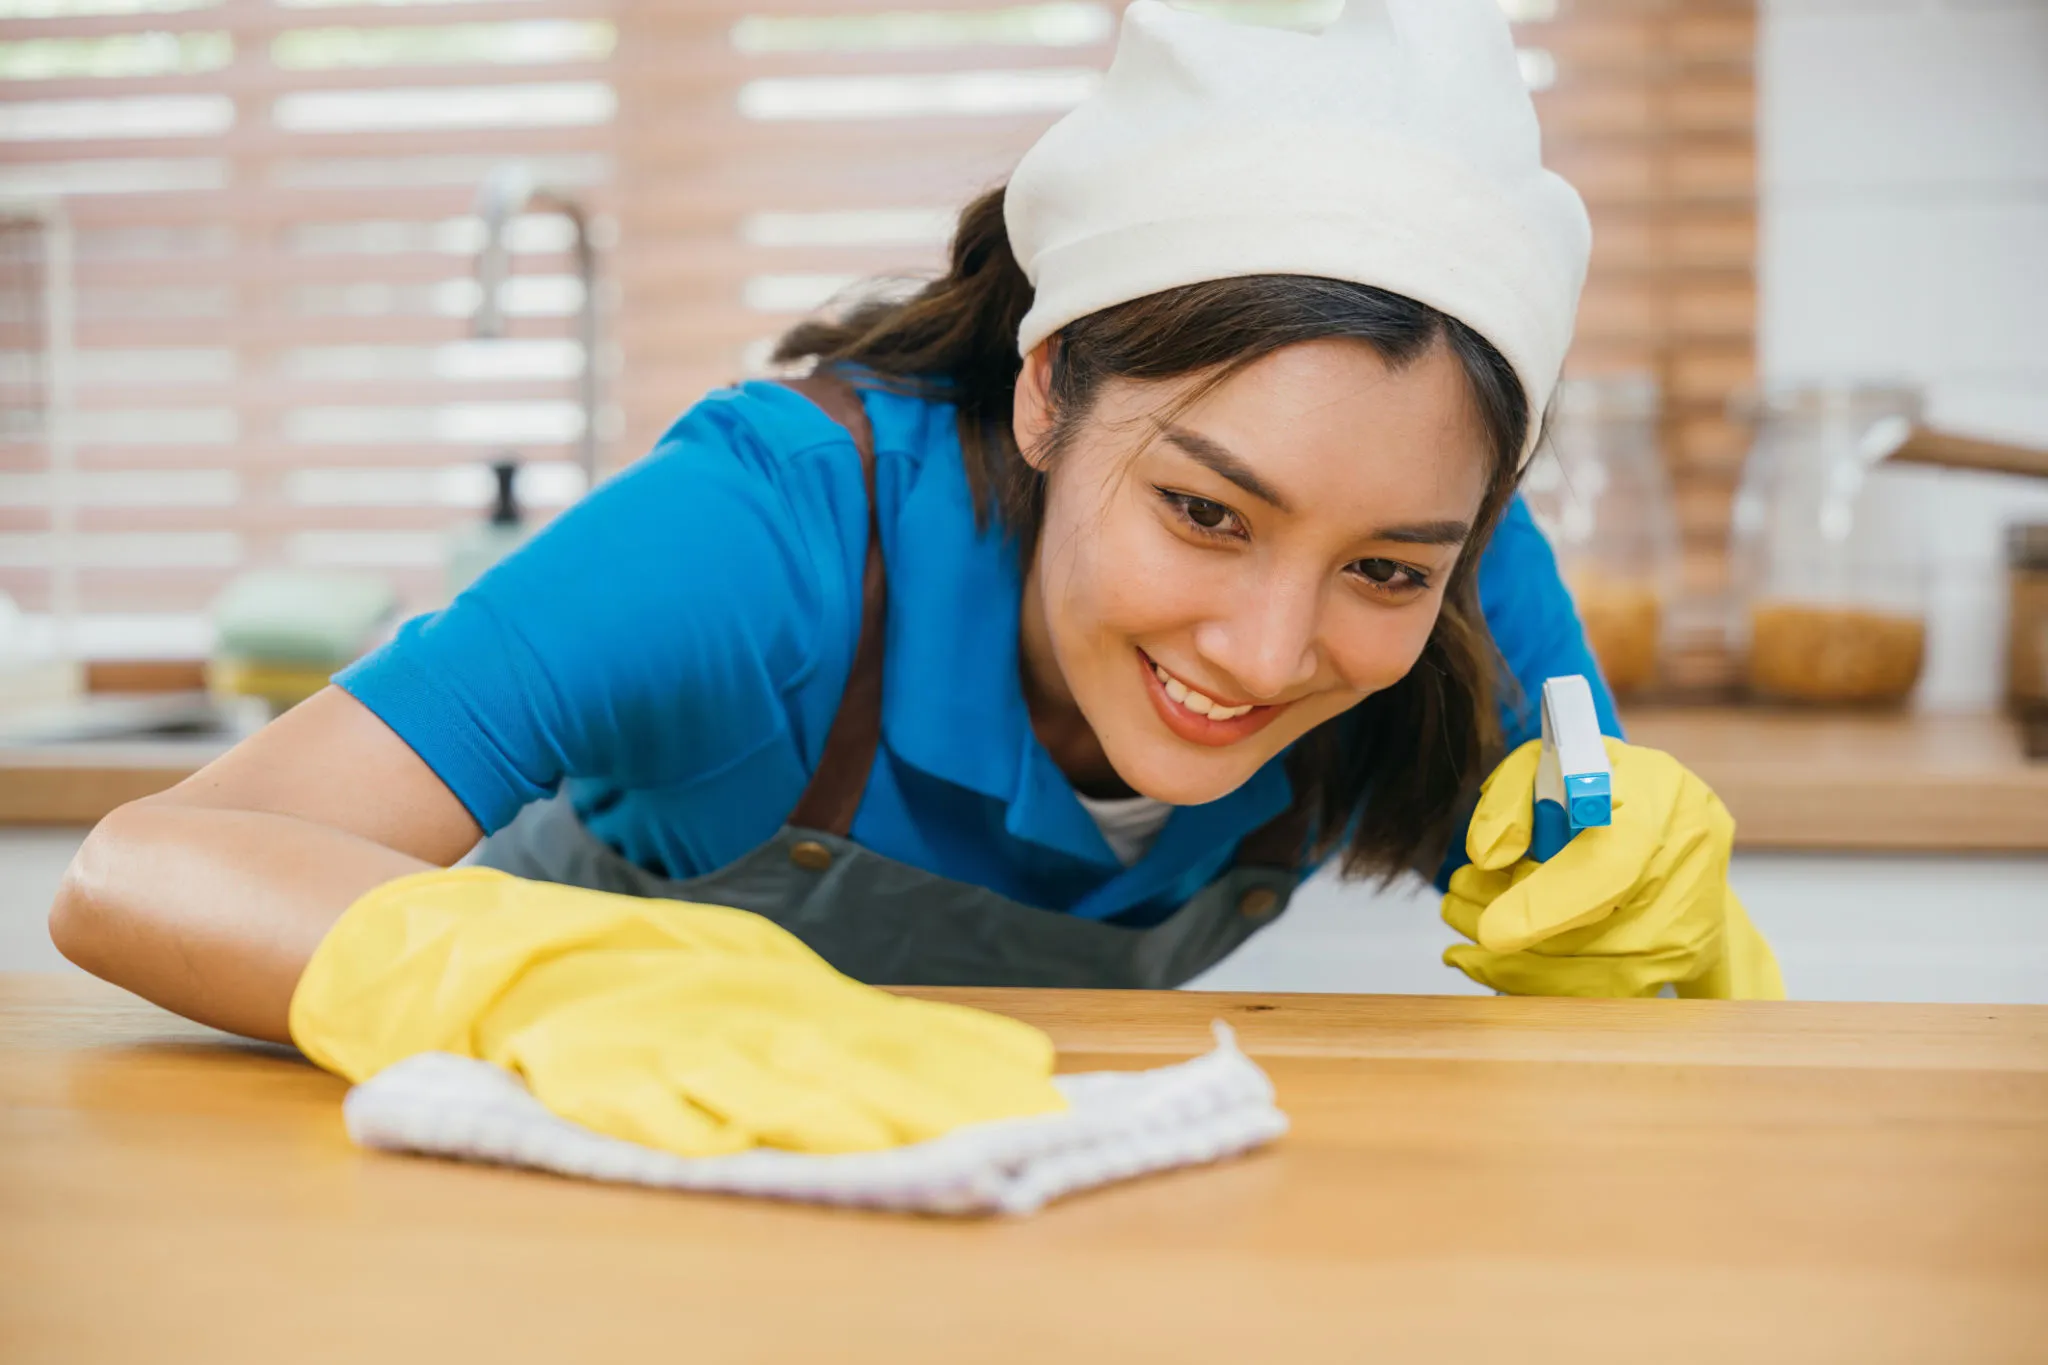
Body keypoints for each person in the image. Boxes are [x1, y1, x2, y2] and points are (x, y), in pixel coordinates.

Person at [50, 0, 1781, 1048]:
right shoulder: (768, 542)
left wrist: (1671, 955)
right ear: (1044, 390)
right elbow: (153, 870)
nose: (1267, 652)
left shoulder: (1459, 595)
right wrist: (537, 992)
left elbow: (1658, 1067)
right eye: (1202, 508)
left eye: (1388, 566)